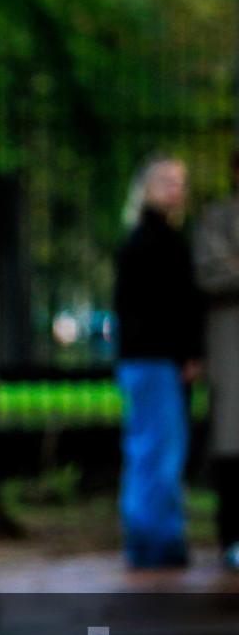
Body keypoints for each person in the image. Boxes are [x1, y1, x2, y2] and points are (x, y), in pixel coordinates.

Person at [114, 156, 201, 571]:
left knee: (153, 451)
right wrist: (186, 352)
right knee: (156, 452)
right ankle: (154, 542)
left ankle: (155, 538)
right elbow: (167, 308)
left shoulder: (158, 237)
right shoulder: (153, 241)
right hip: (154, 360)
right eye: (166, 180)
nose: (175, 188)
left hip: (151, 359)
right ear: (146, 187)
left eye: (180, 181)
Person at [192, 148, 239, 572]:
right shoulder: (218, 218)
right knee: (231, 441)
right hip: (231, 347)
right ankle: (232, 537)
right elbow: (211, 270)